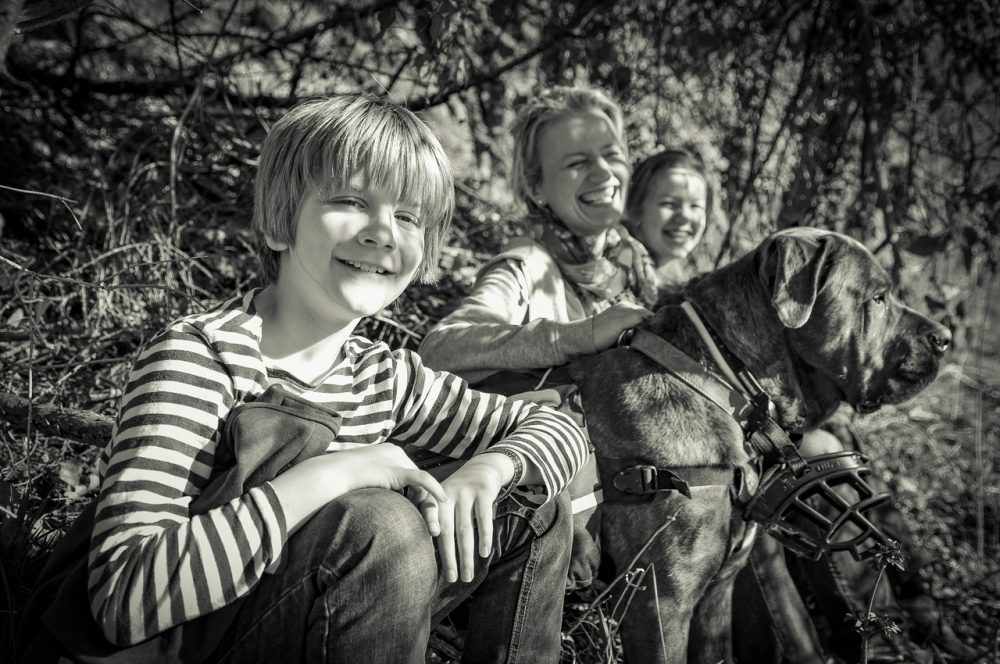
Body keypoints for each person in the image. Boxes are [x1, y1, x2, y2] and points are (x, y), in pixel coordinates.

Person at [20, 93, 589, 664]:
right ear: (278, 222)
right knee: (380, 523)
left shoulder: (383, 377)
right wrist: (339, 473)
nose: (382, 233)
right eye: (350, 200)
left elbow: (561, 428)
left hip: (323, 613)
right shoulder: (203, 357)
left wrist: (491, 468)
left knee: (532, 501)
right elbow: (125, 596)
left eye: (408, 216)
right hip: (189, 642)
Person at [418, 85, 657, 387]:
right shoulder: (524, 269)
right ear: (536, 188)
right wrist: (579, 336)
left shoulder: (636, 267)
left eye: (612, 154)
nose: (603, 172)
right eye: (576, 163)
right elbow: (437, 350)